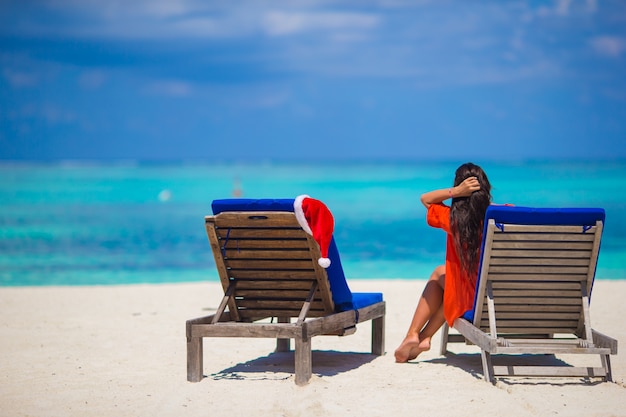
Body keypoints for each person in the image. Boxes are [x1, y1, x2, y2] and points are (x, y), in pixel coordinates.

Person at [394, 162, 492, 363]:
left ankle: (414, 334)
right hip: (498, 295)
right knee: (447, 283)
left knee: (439, 274)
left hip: (471, 299)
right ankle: (424, 338)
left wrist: (456, 192)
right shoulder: (500, 216)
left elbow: (426, 199)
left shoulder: (453, 219)